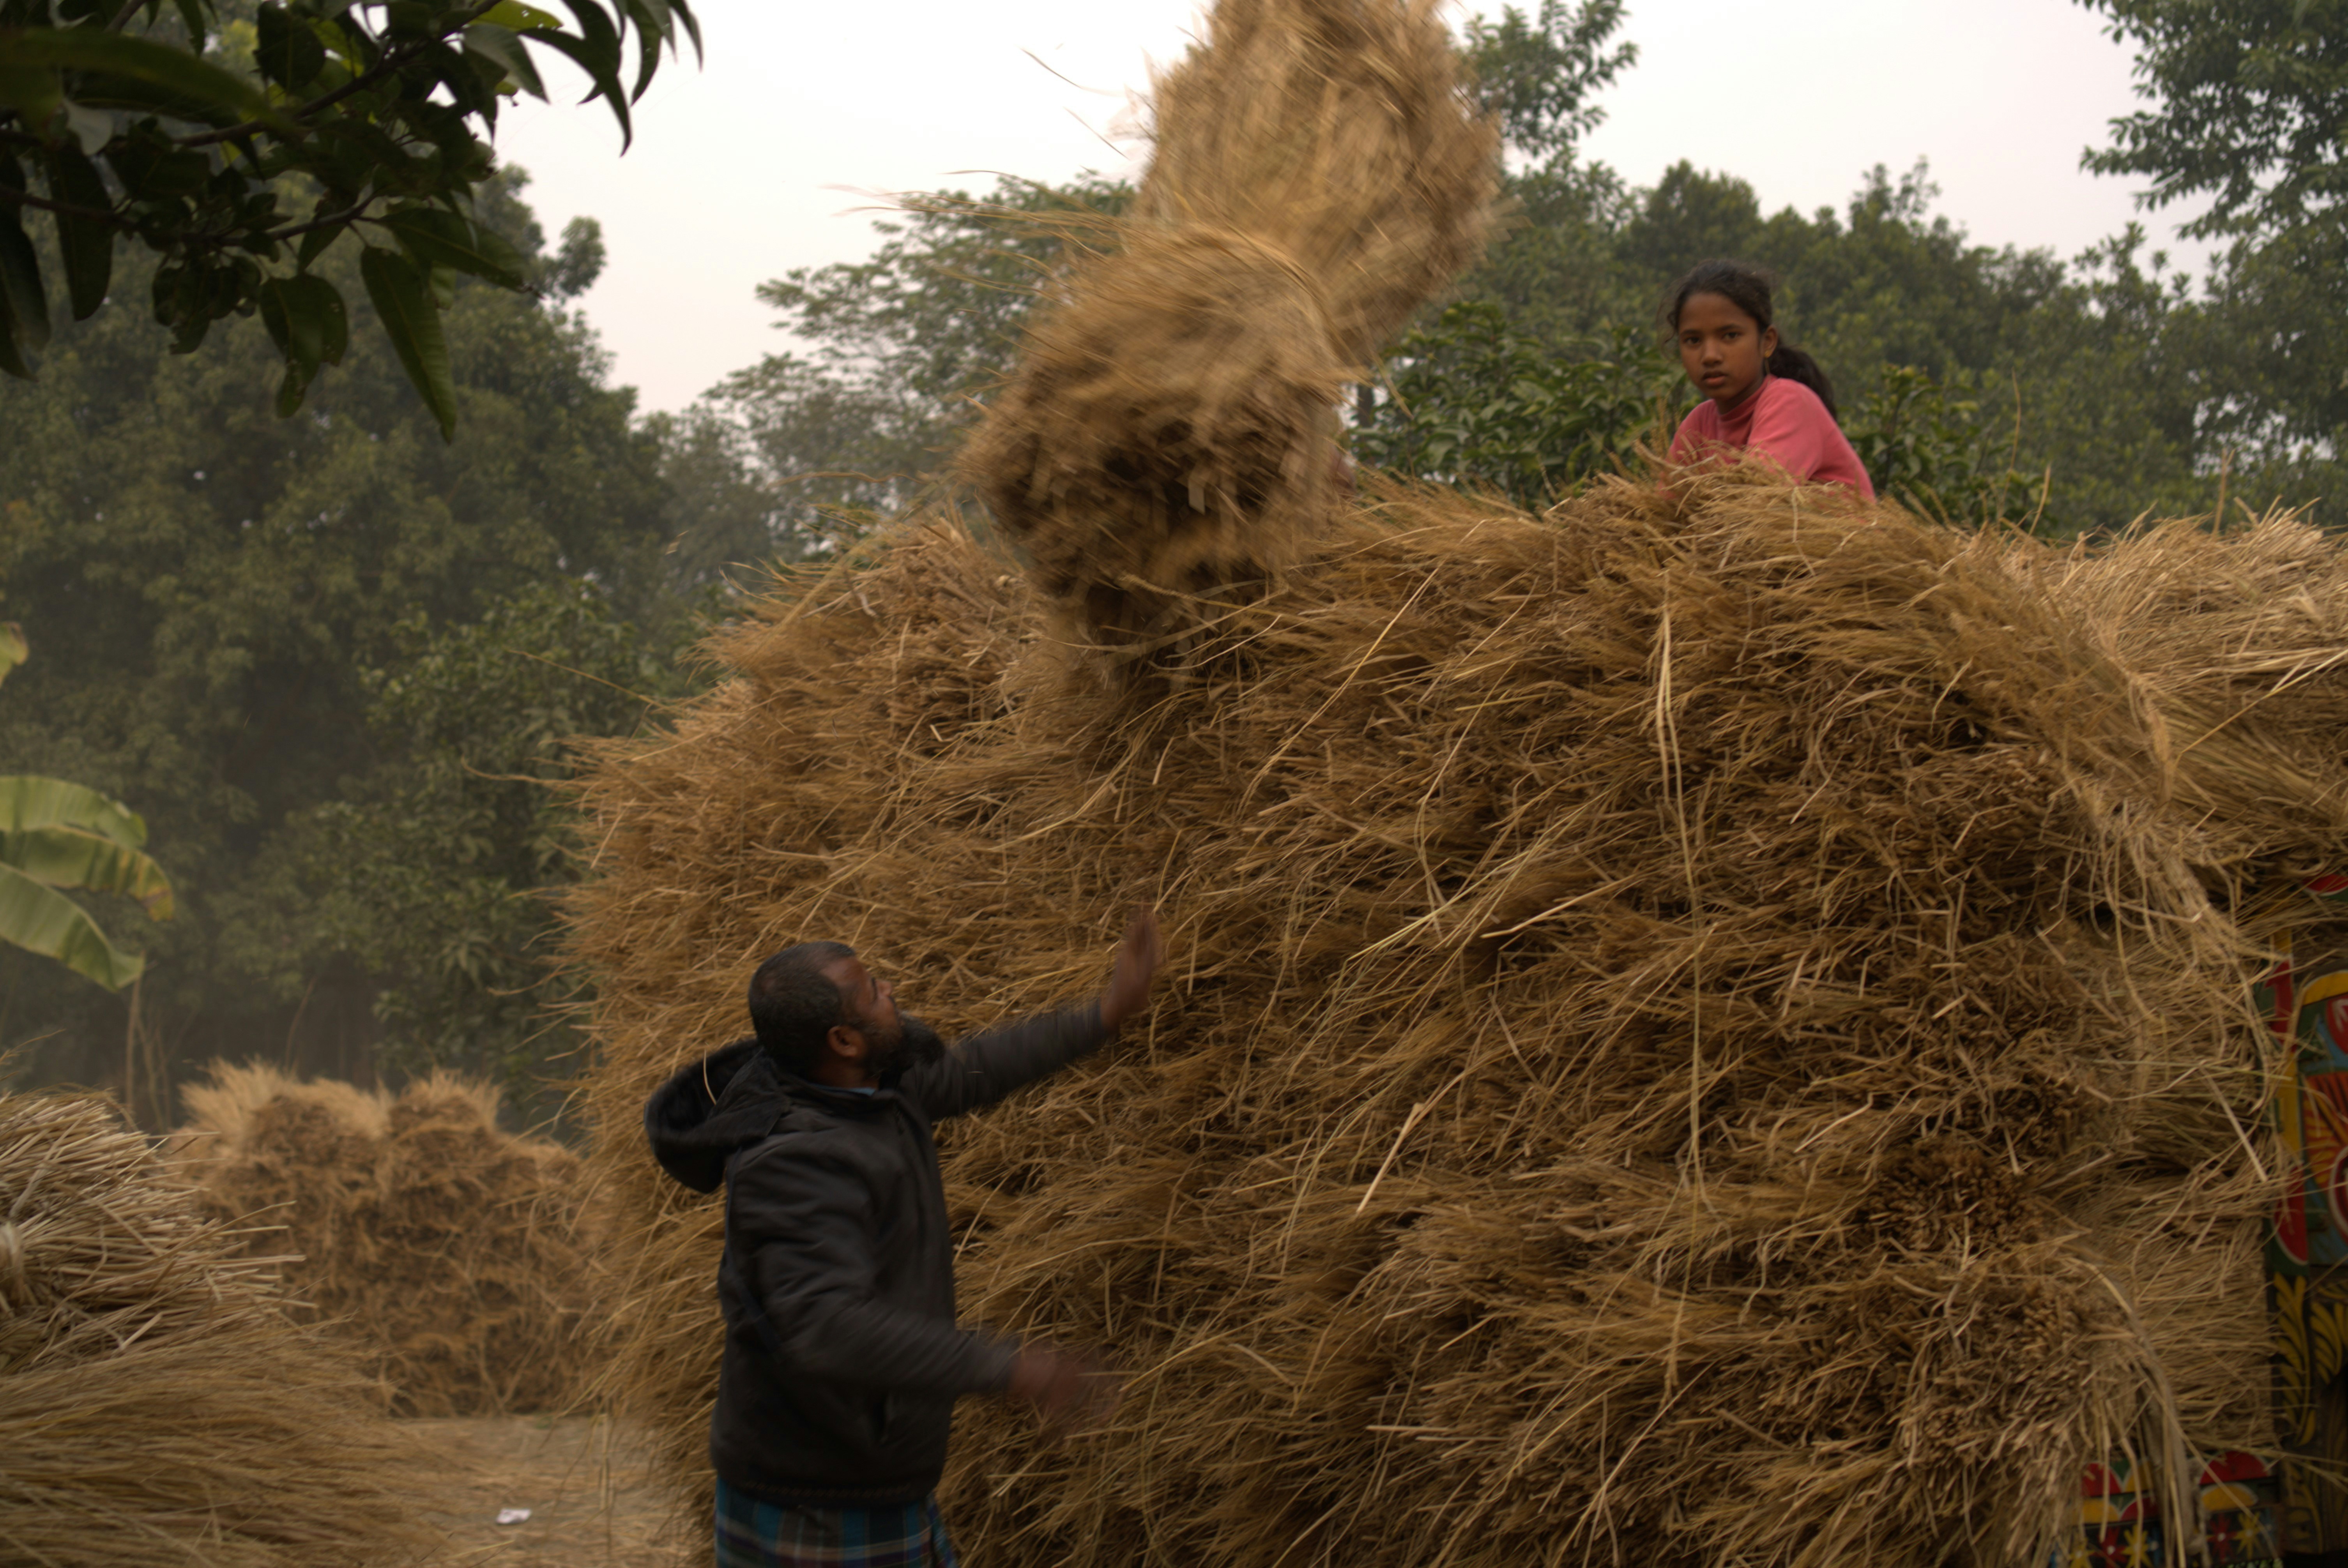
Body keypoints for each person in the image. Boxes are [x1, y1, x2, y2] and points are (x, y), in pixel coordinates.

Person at [643, 906, 1166, 1568]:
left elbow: (973, 1067)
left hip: (869, 1468)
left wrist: (1103, 1014)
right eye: (871, 990)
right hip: (816, 1495)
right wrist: (1012, 1366)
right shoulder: (793, 1162)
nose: (890, 990)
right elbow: (828, 1324)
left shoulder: (868, 1088)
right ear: (843, 1038)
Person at [1663, 258, 1875, 500]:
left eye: (1730, 336)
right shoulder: (1698, 425)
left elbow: (1752, 504)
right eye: (1693, 341)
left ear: (1767, 342)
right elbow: (1660, 512)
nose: (1710, 356)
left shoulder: (1790, 402)